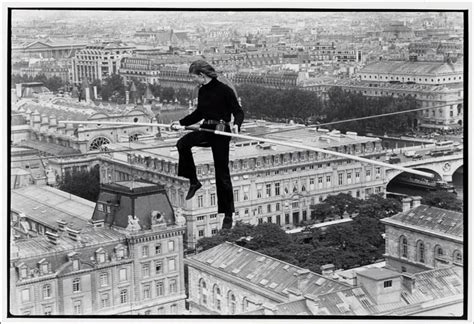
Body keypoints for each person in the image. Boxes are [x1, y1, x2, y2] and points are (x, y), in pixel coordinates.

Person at [170, 60, 244, 229]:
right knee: (182, 144)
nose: (193, 81)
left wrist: (237, 125)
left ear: (202, 76)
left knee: (221, 172)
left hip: (220, 131)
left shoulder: (225, 90)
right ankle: (194, 181)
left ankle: (227, 214)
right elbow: (199, 113)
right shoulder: (202, 91)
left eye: (194, 77)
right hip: (207, 128)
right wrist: (180, 122)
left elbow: (238, 111)